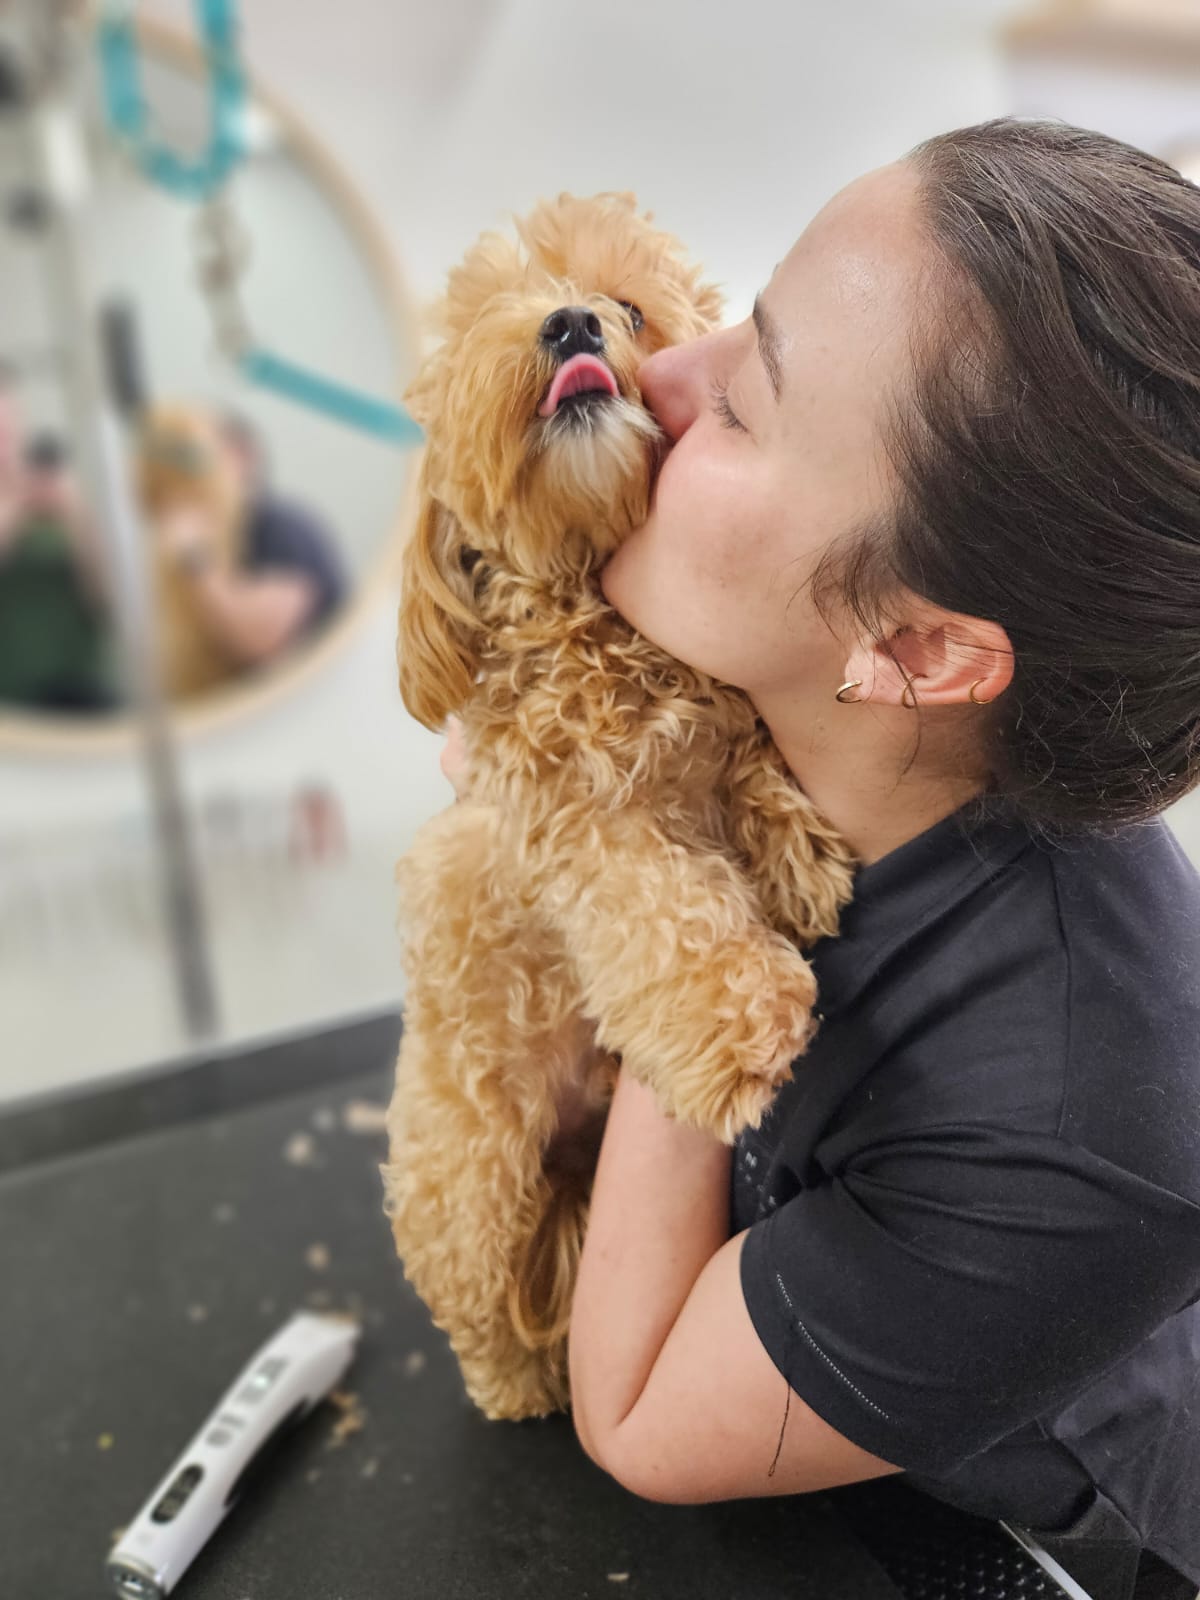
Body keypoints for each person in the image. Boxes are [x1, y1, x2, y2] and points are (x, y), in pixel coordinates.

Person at [442, 118, 1200, 1600]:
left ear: (918, 651)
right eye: (740, 315)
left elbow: (639, 1412)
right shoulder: (819, 710)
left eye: (744, 405)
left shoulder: (1078, 1132)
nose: (664, 373)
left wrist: (664, 904)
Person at [148, 406, 347, 688]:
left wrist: (196, 558)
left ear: (241, 458)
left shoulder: (283, 526)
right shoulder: (203, 541)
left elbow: (261, 636)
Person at [0, 369, 120, 712]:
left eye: (10, 431)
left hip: (84, 692)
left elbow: (109, 599)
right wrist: (15, 508)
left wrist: (79, 516)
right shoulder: (19, 502)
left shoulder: (62, 497)